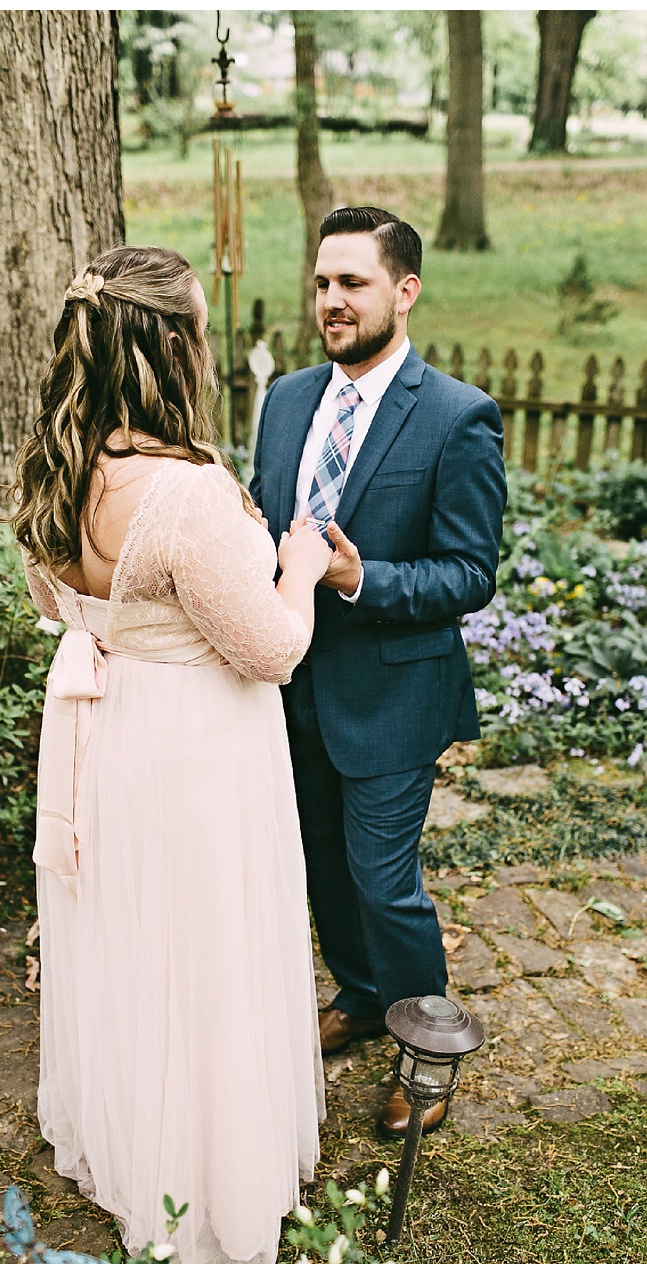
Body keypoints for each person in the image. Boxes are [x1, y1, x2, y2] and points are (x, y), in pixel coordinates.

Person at [13, 246, 331, 1264]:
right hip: (199, 752)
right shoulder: (188, 496)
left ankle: (138, 1148)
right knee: (210, 960)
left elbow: (55, 606)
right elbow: (273, 649)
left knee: (135, 946)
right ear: (173, 346)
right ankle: (214, 1196)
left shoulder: (59, 465)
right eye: (196, 328)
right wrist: (301, 565)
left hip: (111, 742)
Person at [248, 206, 505, 1137]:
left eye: (352, 283)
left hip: (394, 692)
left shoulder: (456, 416)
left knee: (383, 877)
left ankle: (429, 1051)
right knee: (319, 865)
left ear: (405, 291)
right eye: (322, 282)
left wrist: (360, 577)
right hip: (288, 683)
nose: (331, 300)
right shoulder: (284, 401)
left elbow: (470, 574)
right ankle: (360, 998)